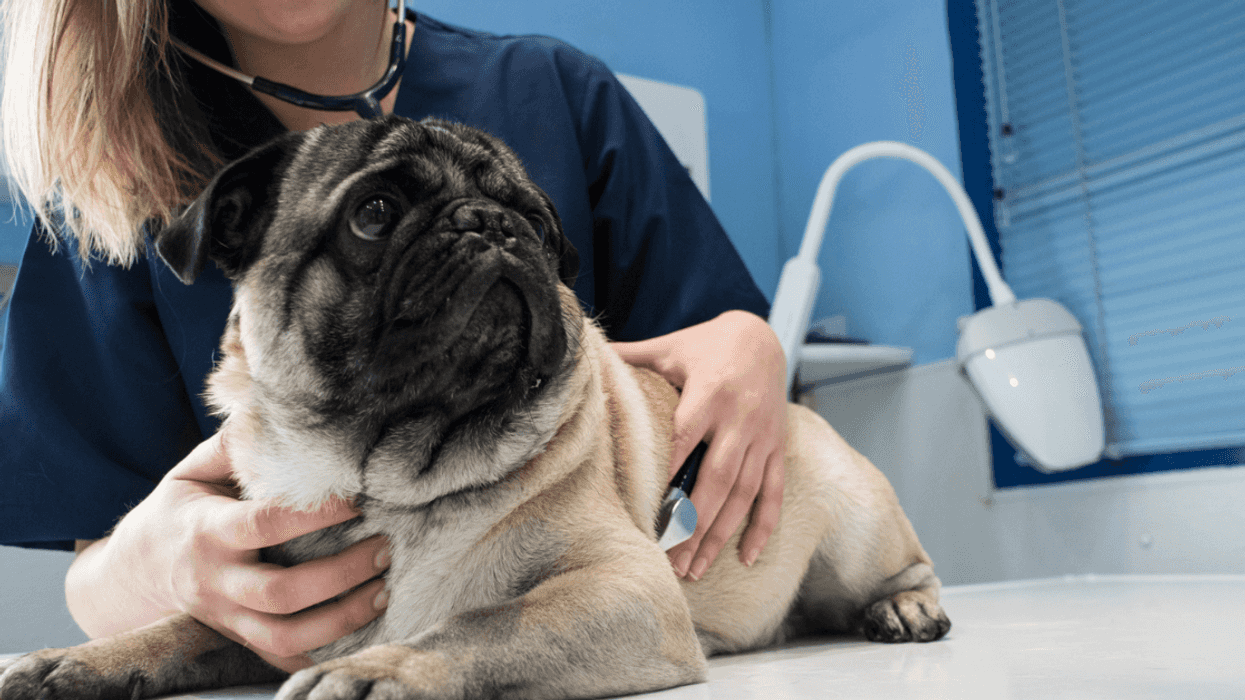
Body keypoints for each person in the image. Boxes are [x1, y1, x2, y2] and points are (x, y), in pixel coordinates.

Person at [0, 0, 787, 673]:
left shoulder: (557, 93)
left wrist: (748, 340)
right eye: (375, 218)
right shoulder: (110, 177)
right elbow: (94, 564)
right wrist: (148, 568)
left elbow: (700, 388)